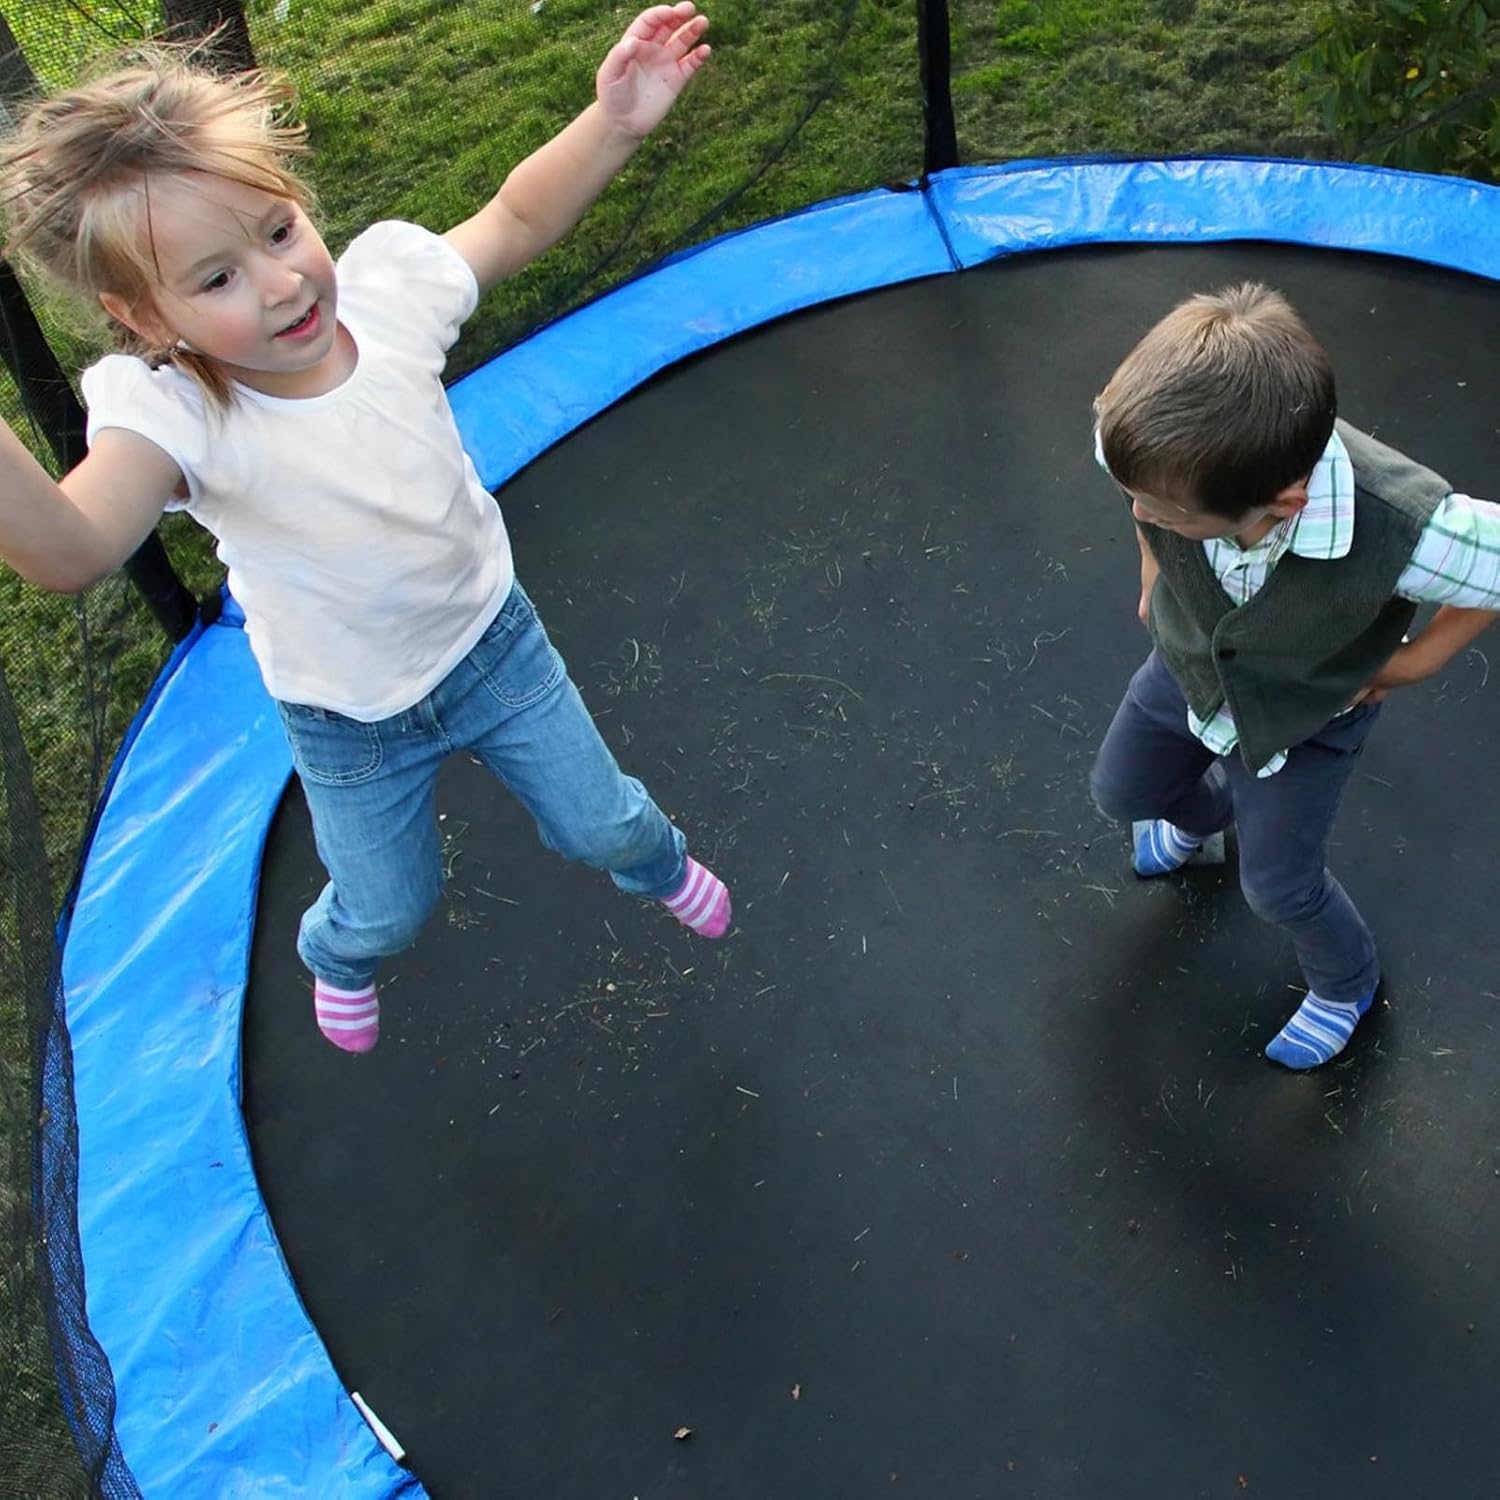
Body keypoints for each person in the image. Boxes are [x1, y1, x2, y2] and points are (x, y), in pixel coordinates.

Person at [0, 5, 729, 1055]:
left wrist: (613, 122)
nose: (283, 280)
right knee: (390, 905)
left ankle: (657, 864)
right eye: (217, 279)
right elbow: (69, 550)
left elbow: (515, 221)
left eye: (279, 230)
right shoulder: (175, 411)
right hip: (347, 721)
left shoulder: (384, 297)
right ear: (149, 321)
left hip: (493, 645)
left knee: (602, 823)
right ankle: (337, 954)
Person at [1089, 282, 1500, 1070]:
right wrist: (1154, 563)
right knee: (1123, 794)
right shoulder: (1149, 443)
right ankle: (1207, 825)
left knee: (1279, 889)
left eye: (1168, 518)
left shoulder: (1409, 526)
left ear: (1282, 503)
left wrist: (1419, 660)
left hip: (1309, 719)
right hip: (1188, 670)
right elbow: (1136, 488)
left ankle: (1347, 983)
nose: (1144, 513)